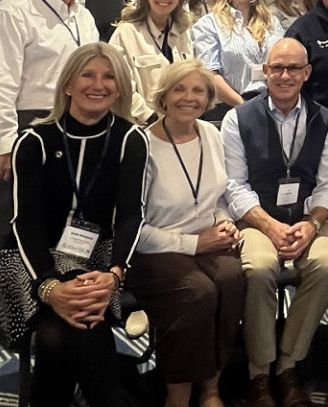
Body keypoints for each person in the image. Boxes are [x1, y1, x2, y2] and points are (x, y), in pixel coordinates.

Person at [0, 42, 148, 407]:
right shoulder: (34, 140)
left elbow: (131, 214)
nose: (99, 85)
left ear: (120, 87)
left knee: (62, 331)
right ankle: (107, 397)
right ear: (67, 84)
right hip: (30, 257)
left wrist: (114, 274)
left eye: (109, 77)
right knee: (80, 323)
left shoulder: (130, 139)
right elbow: (24, 221)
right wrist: (48, 285)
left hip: (99, 256)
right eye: (87, 75)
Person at [221, 37, 328, 407]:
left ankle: (288, 365)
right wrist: (269, 226)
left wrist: (312, 224)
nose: (285, 75)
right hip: (257, 219)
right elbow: (234, 185)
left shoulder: (325, 118)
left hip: (307, 217)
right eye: (277, 67)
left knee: (325, 264)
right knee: (259, 268)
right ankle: (259, 372)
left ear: (306, 73)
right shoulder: (237, 118)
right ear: (265, 71)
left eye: (293, 68)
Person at [0, 0, 99, 277]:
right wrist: (5, 144)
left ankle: (59, 296)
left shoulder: (84, 17)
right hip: (26, 127)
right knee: (17, 221)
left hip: (76, 124)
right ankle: (12, 307)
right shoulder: (13, 12)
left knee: (69, 217)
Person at [127, 60, 245, 407]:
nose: (189, 98)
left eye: (198, 90)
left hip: (208, 239)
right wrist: (194, 243)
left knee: (232, 278)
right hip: (155, 248)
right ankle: (178, 393)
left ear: (208, 98)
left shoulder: (211, 134)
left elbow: (218, 196)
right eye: (179, 89)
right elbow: (133, 228)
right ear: (163, 96)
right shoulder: (142, 145)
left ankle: (211, 387)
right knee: (197, 292)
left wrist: (224, 220)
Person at [192, 0, 282, 120]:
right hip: (227, 110)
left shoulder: (272, 22)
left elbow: (282, 64)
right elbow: (210, 75)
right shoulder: (209, 24)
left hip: (270, 108)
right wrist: (244, 107)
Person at [110, 0, 194, 125]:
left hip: (179, 122)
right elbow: (120, 85)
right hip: (141, 124)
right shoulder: (126, 33)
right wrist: (151, 118)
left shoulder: (183, 32)